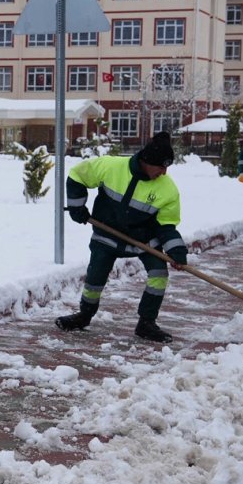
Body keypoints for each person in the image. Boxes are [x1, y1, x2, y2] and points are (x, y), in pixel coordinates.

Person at [55, 132, 188, 343]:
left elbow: (167, 225)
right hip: (107, 235)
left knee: (159, 273)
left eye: (166, 168)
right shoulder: (111, 167)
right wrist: (77, 207)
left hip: (144, 240)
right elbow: (77, 175)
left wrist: (176, 251)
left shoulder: (168, 189)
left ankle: (146, 323)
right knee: (96, 276)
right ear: (146, 161)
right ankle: (84, 315)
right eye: (160, 166)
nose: (163, 172)